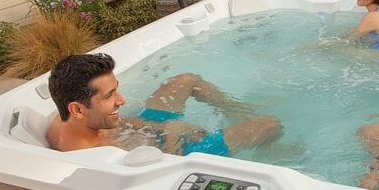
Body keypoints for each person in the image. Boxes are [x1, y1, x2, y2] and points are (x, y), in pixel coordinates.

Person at [46, 53, 282, 155]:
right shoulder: (93, 158)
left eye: (116, 89)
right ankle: (269, 153)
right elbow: (160, 180)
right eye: (109, 96)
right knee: (269, 125)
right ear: (77, 109)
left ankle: (233, 108)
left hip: (160, 135)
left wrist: (162, 126)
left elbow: (118, 125)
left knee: (187, 80)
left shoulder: (63, 120)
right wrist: (173, 137)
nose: (122, 100)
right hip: (178, 154)